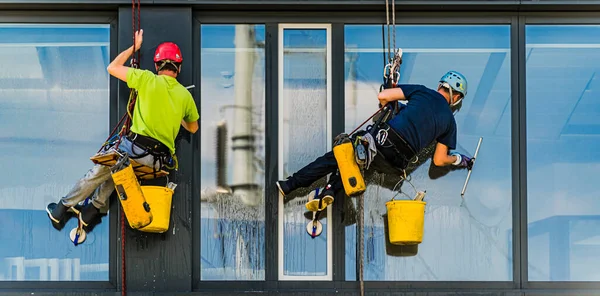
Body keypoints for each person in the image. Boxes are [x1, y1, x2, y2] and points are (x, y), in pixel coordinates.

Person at [46, 29, 200, 230]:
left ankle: (61, 208)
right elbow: (193, 128)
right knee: (118, 169)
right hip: (157, 162)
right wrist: (176, 115)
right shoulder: (184, 96)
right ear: (178, 68)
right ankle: (92, 210)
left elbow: (113, 67)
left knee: (100, 170)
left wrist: (134, 48)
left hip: (135, 149)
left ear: (156, 65)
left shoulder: (146, 79)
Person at [276, 70, 473, 212]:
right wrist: (458, 160)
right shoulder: (450, 123)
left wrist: (400, 107)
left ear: (440, 86)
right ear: (455, 97)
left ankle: (291, 185)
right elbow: (439, 160)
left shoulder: (421, 92)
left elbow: (383, 96)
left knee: (339, 155)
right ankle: (330, 190)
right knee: (357, 166)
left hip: (384, 140)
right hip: (397, 163)